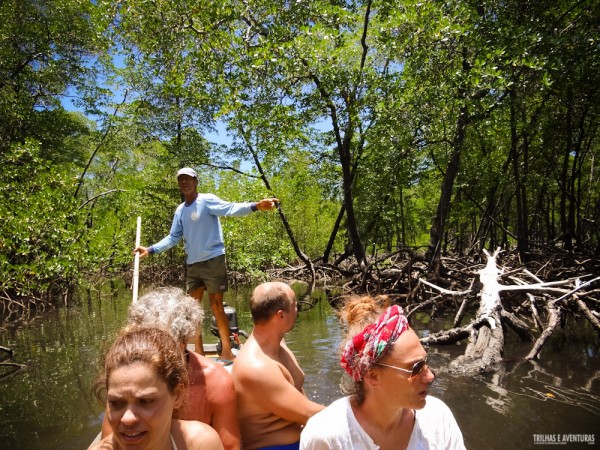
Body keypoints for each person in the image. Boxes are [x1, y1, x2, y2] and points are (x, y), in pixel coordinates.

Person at [133, 167, 278, 361]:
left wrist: (256, 206)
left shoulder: (206, 200)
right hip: (193, 265)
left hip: (213, 260)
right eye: (181, 180)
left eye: (188, 179)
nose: (184, 182)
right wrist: (150, 249)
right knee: (191, 311)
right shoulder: (180, 210)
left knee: (216, 305)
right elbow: (173, 237)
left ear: (196, 181)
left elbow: (230, 208)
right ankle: (199, 355)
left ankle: (227, 352)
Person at [299, 296, 466, 450]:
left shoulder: (438, 418)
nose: (430, 377)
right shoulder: (328, 437)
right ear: (373, 376)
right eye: (416, 368)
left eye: (425, 362)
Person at [99, 288, 241, 450]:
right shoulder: (129, 381)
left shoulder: (216, 381)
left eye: (146, 401)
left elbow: (230, 446)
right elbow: (111, 442)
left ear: (184, 342)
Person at [89, 326, 224, 450]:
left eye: (145, 401)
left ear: (177, 395)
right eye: (116, 403)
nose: (127, 419)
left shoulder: (202, 444)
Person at [231, 282, 325, 450]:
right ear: (280, 316)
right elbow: (311, 414)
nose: (297, 310)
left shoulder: (278, 341)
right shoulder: (257, 367)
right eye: (295, 305)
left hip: (302, 438)